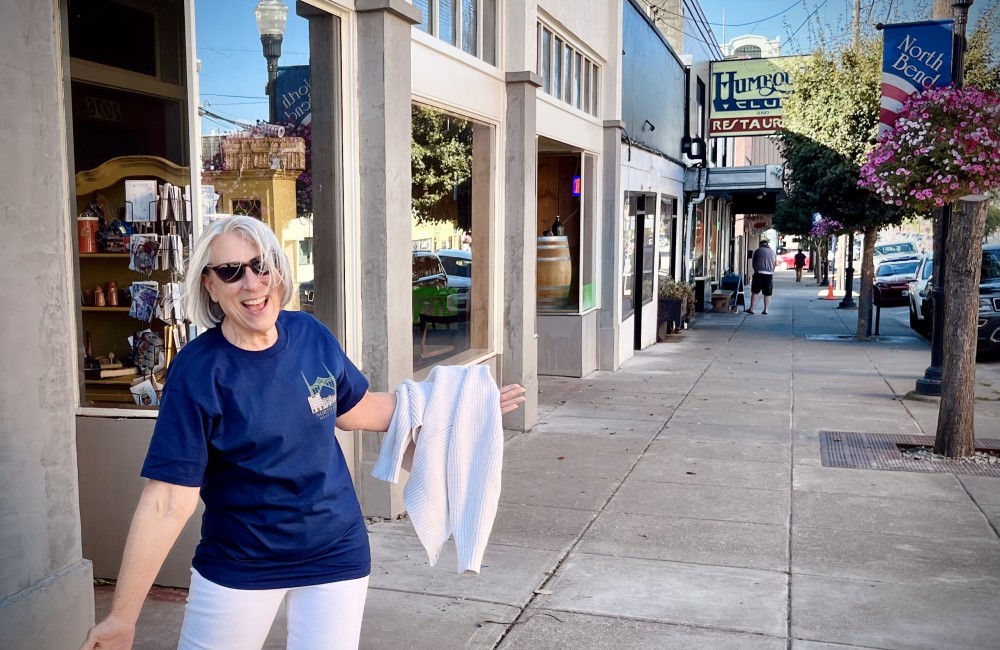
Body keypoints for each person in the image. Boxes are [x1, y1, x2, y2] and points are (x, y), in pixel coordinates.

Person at [79, 216, 526, 650]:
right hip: (242, 563)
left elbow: (358, 410)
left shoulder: (310, 334)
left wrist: (460, 402)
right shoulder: (197, 372)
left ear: (277, 270)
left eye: (261, 265)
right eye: (231, 272)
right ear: (209, 286)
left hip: (336, 551)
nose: (252, 283)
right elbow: (166, 502)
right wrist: (123, 617)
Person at [746, 238, 776, 315]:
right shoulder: (772, 252)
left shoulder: (758, 251)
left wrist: (756, 269)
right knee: (767, 293)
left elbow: (754, 262)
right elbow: (774, 263)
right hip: (769, 275)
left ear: (760, 244)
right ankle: (765, 310)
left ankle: (752, 308)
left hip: (759, 273)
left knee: (755, 292)